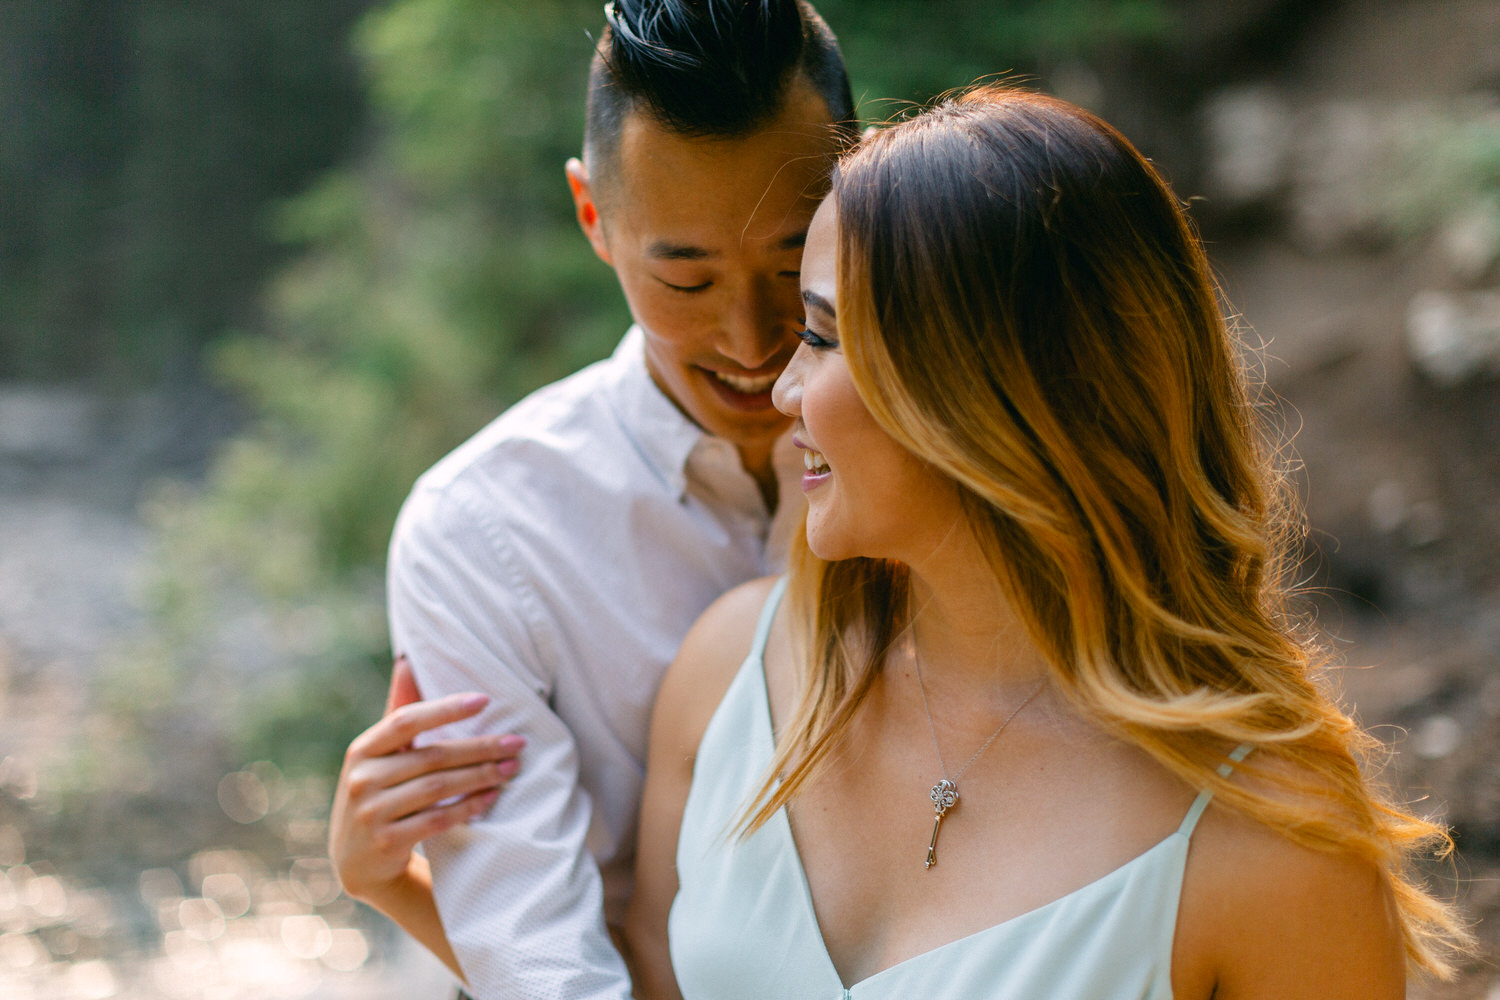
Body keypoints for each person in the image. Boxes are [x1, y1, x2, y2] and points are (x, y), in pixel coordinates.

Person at [619, 87, 1473, 998]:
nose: (784, 388)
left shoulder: (1268, 837)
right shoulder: (730, 672)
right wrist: (449, 883)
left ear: (980, 392)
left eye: (823, 338)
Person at [328, 1, 854, 996]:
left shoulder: (945, 454)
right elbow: (537, 953)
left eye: (791, 266)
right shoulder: (480, 533)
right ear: (594, 220)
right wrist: (397, 888)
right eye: (686, 280)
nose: (752, 339)